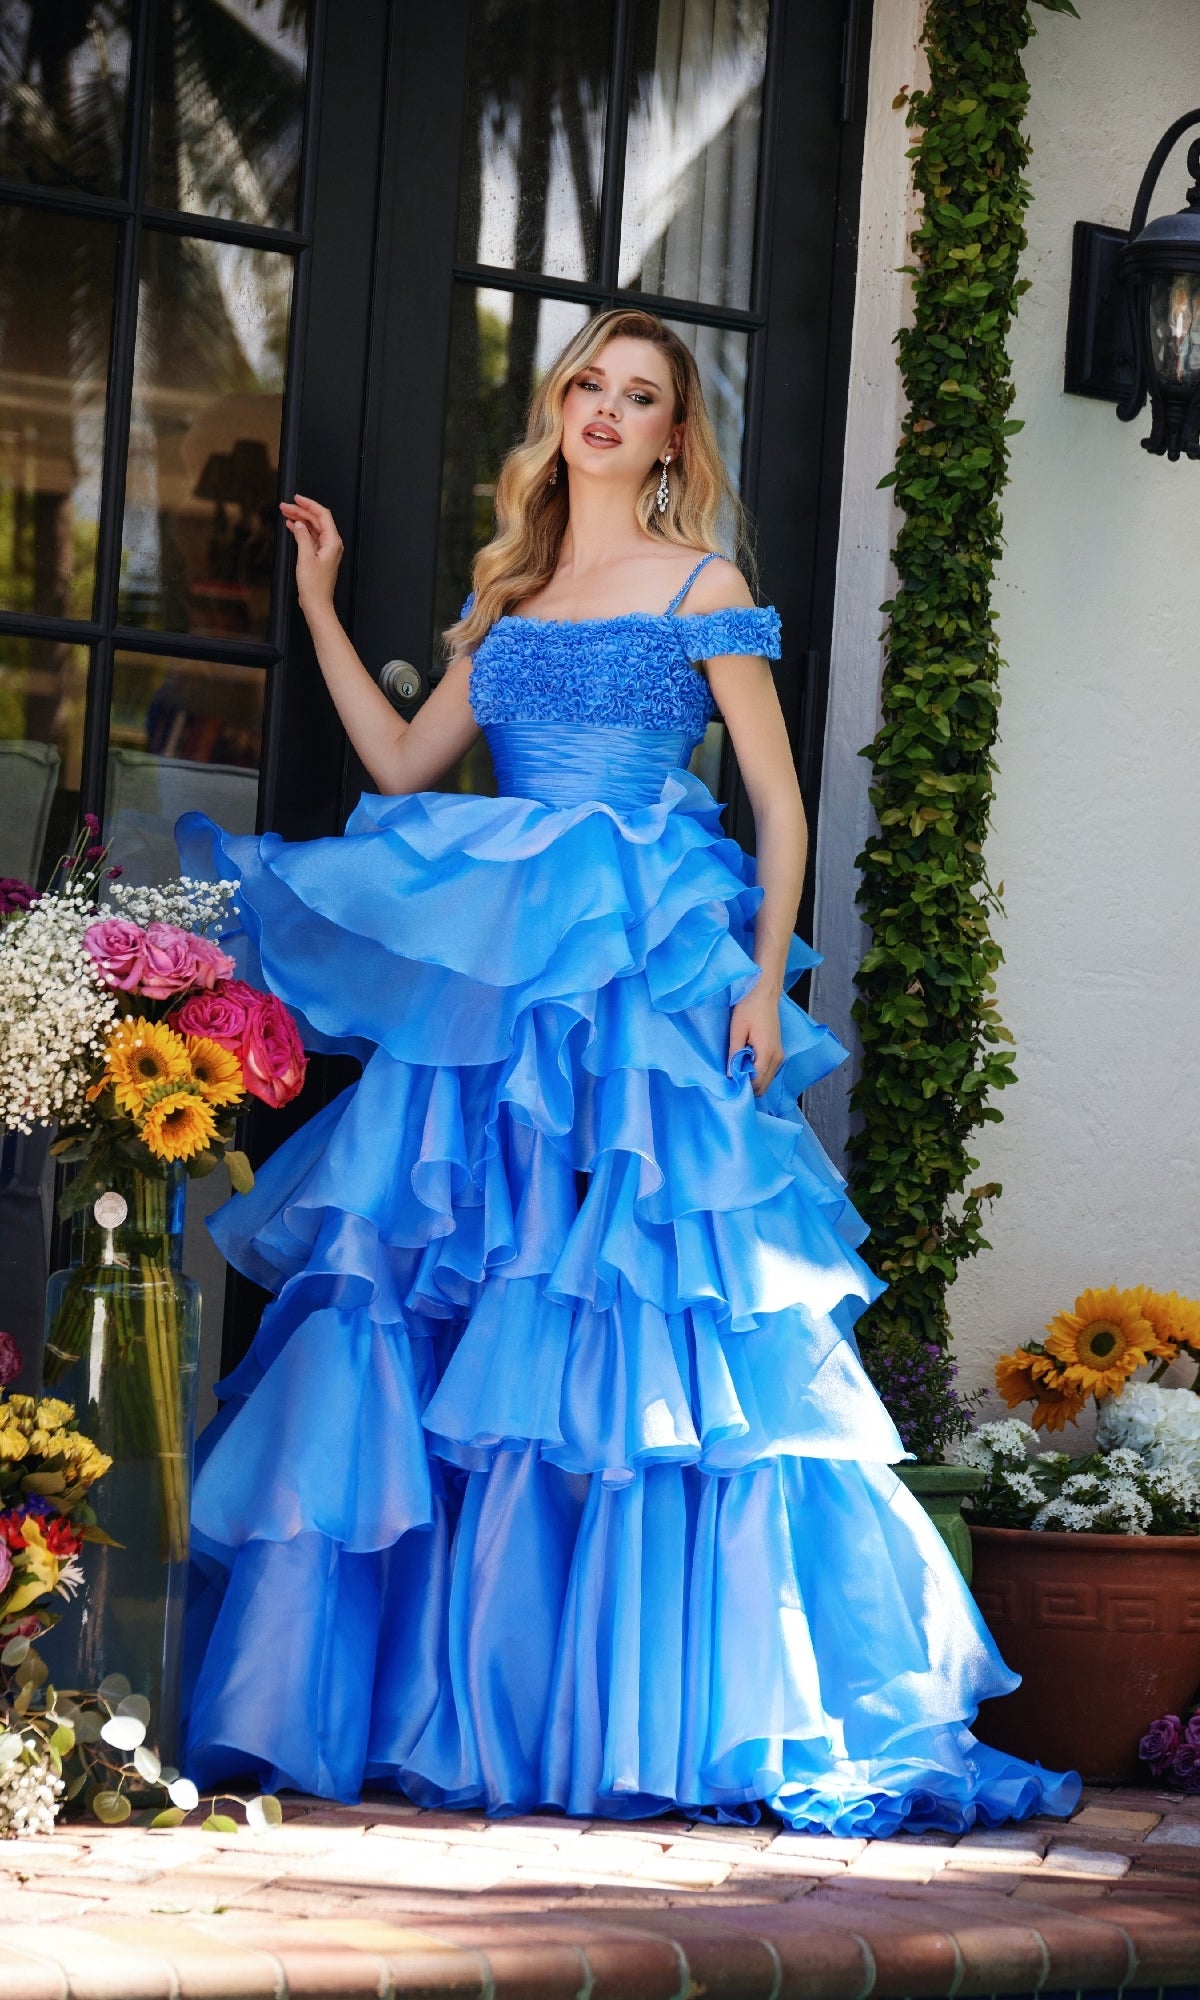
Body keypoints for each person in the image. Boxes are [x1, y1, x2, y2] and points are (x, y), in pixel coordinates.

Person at [178, 308, 1080, 1833]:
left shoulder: (703, 585)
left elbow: (780, 810)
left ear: (675, 437)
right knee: (490, 1321)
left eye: (641, 394)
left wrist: (765, 977)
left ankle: (681, 1708)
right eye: (589, 384)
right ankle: (489, 1702)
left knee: (650, 1329)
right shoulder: (512, 596)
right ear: (563, 408)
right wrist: (322, 605)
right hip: (510, 987)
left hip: (651, 971)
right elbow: (402, 768)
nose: (606, 408)